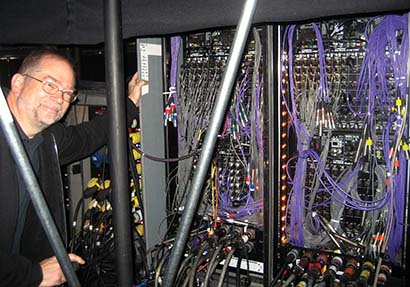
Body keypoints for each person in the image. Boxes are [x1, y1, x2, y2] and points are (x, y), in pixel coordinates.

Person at [0, 48, 147, 286]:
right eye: (50, 85)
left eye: (68, 93)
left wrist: (129, 104)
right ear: (18, 83)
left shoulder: (46, 137)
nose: (59, 99)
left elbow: (87, 137)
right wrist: (34, 274)